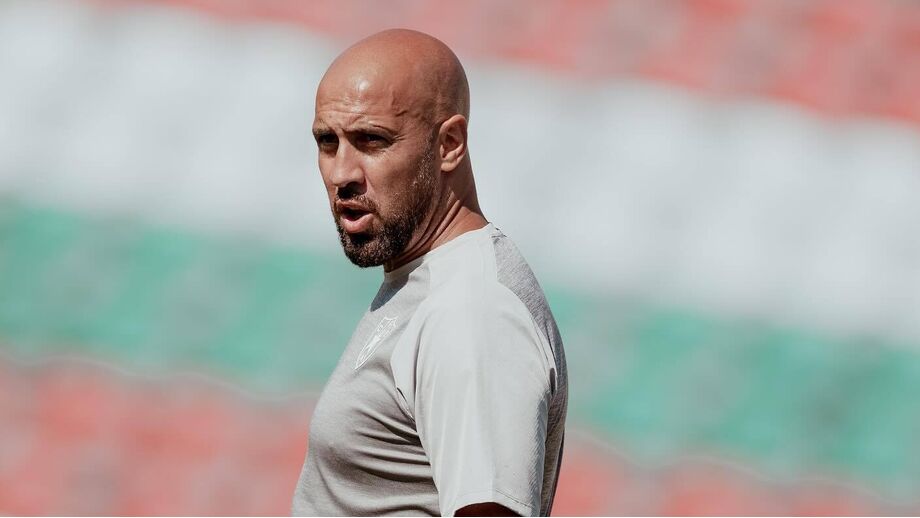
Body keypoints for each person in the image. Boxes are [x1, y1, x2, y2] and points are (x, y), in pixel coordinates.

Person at [291, 28, 568, 517]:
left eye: (371, 140)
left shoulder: (471, 311)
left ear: (449, 145)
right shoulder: (425, 281)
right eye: (327, 142)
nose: (341, 173)